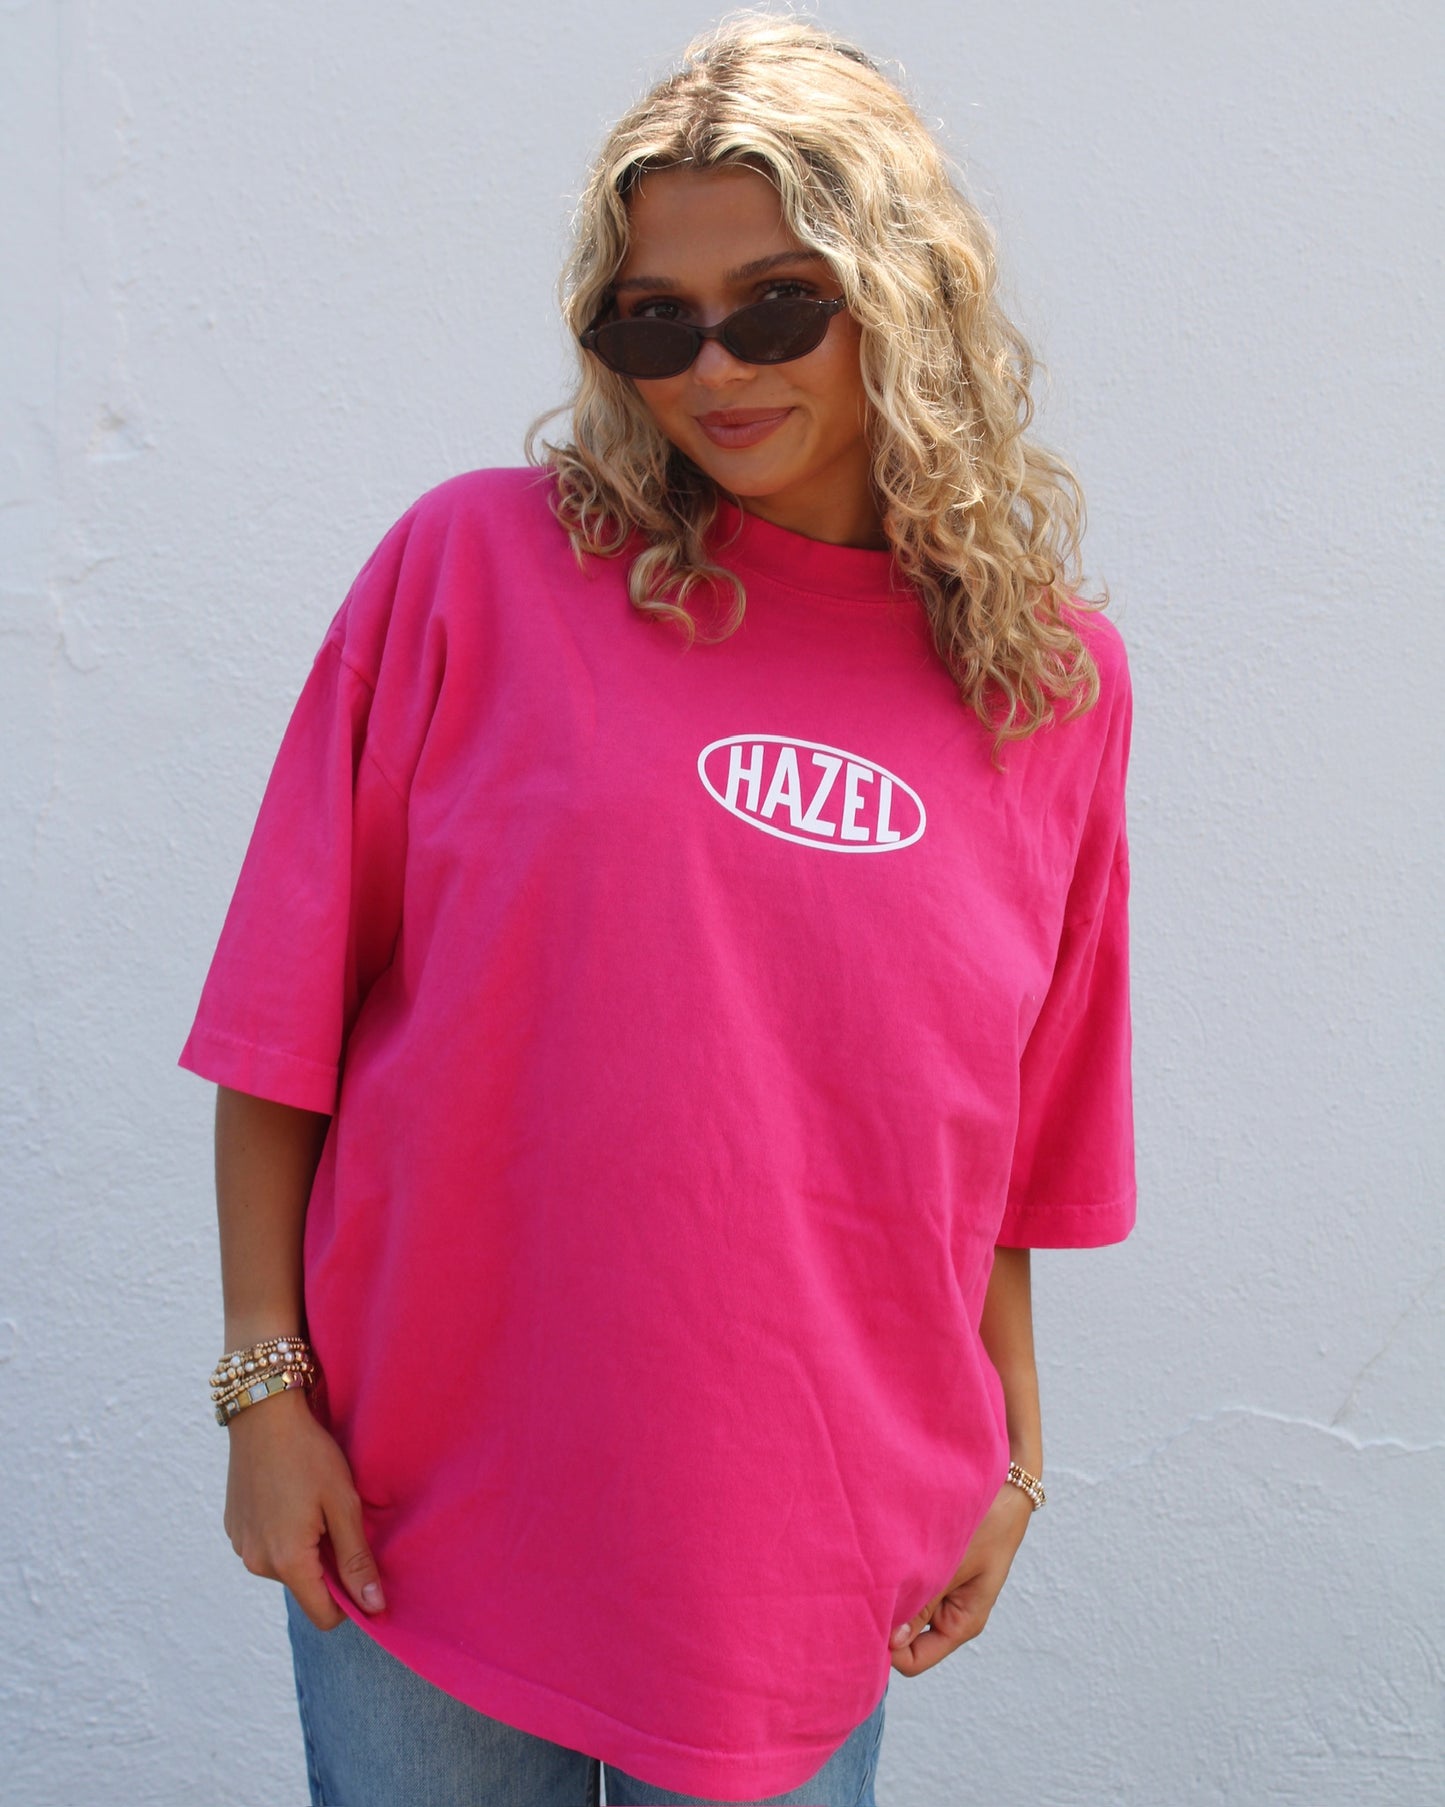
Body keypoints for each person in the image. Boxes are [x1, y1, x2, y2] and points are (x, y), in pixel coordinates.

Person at [181, 14, 1136, 1806]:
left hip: (799, 1532)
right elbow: (278, 1019)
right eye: (652, 321)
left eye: (776, 308)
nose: (712, 367)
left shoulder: (1044, 688)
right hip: (413, 1506)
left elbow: (1008, 1143)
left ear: (903, 297)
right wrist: (263, 1390)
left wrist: (1011, 1459)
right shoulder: (474, 570)